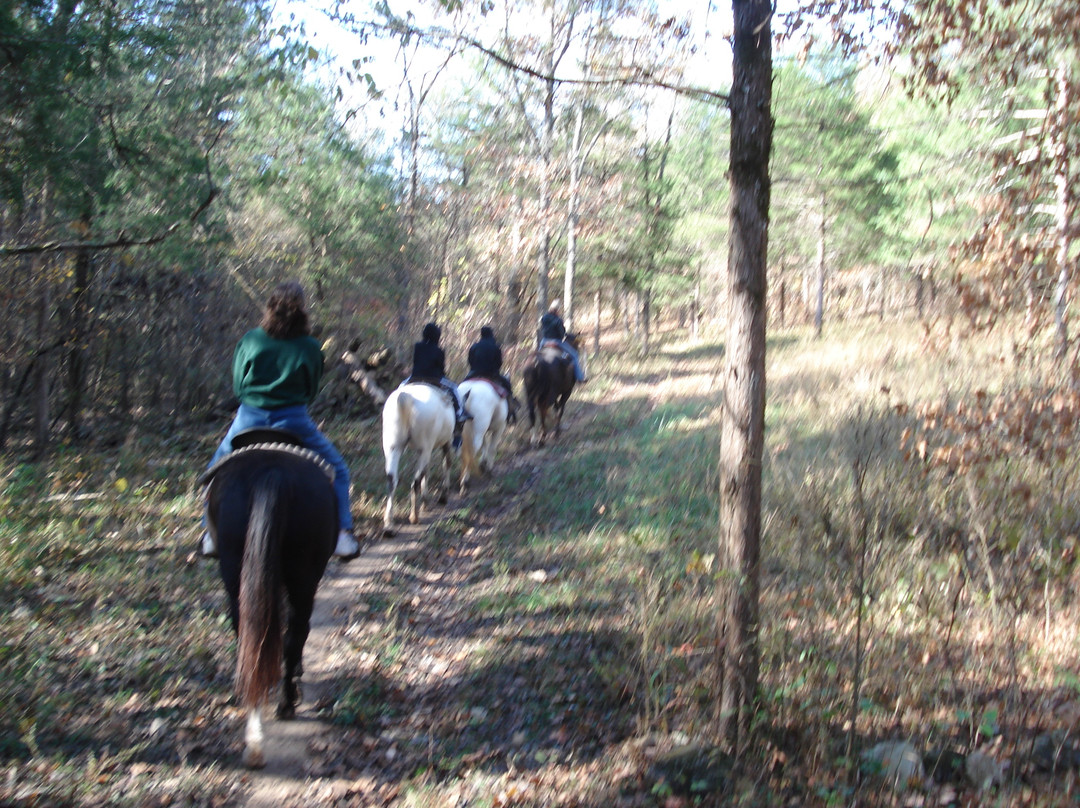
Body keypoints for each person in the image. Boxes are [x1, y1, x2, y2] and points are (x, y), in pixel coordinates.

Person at [201, 281, 360, 560]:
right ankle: (342, 535)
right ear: (302, 309)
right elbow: (311, 390)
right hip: (294, 419)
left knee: (214, 471)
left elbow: (238, 386)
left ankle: (209, 534)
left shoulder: (250, 340)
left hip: (248, 418)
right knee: (339, 470)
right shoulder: (310, 346)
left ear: (270, 306)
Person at [405, 321, 471, 447]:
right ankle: (459, 413)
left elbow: (415, 362)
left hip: (415, 377)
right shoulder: (439, 351)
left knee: (400, 388)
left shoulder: (417, 346)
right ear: (437, 336)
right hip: (434, 379)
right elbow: (441, 369)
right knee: (455, 389)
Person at [464, 325, 519, 423]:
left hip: (473, 374)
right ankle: (511, 411)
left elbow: (470, 361)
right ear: (491, 334)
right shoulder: (496, 346)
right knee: (507, 384)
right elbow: (499, 363)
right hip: (491, 374)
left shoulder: (474, 346)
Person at [539, 299, 586, 382]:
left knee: (538, 355)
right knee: (575, 355)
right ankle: (580, 377)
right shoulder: (558, 320)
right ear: (557, 310)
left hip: (544, 341)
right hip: (556, 342)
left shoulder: (544, 318)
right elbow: (562, 335)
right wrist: (574, 337)